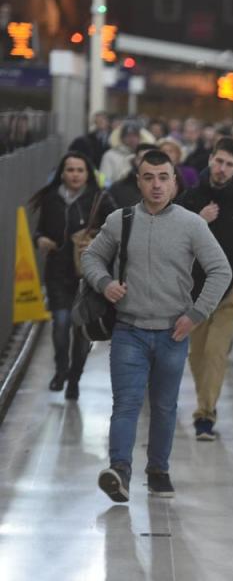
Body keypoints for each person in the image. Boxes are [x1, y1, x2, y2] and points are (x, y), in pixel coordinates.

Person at [82, 150, 231, 502]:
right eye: (148, 177)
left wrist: (196, 314)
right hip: (128, 329)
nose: (156, 185)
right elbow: (91, 256)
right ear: (138, 181)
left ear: (175, 182)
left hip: (172, 332)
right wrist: (105, 283)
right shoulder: (121, 220)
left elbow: (220, 269)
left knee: (164, 407)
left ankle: (158, 470)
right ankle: (119, 470)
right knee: (126, 404)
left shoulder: (192, 224)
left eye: (163, 177)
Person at [178, 137, 233, 440]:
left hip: (232, 292)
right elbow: (173, 239)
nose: (222, 169)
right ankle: (206, 403)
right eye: (219, 161)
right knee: (198, 354)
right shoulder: (191, 197)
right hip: (196, 290)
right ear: (210, 160)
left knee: (216, 352)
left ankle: (205, 414)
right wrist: (197, 221)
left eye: (230, 164)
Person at [30, 151, 116, 398]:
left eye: (80, 170)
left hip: (87, 277)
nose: (75, 175)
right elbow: (40, 229)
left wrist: (96, 241)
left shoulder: (100, 199)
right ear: (62, 173)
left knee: (80, 331)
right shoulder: (51, 199)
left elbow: (118, 230)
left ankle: (75, 378)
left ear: (88, 173)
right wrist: (40, 240)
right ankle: (61, 370)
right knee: (60, 324)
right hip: (57, 272)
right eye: (70, 170)